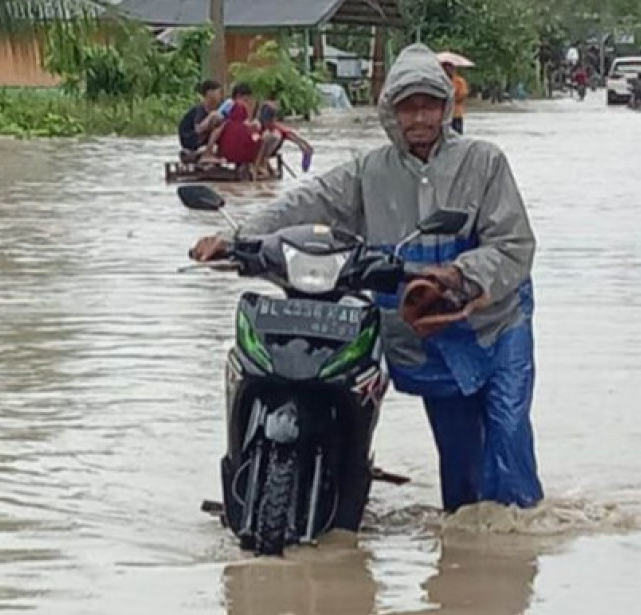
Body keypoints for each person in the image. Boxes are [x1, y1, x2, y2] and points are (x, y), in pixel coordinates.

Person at [190, 44, 543, 513]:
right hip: (426, 332)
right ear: (390, 112)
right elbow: (308, 201)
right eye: (408, 107)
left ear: (445, 106)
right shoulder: (369, 171)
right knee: (458, 461)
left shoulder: (484, 162)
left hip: (495, 322)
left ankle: (517, 545)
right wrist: (239, 236)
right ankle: (466, 546)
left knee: (507, 432)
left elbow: (515, 245)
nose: (419, 118)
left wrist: (461, 273)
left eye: (429, 105)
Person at [212, 83, 283, 179]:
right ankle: (257, 166)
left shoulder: (238, 111)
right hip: (235, 145)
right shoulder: (231, 106)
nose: (248, 102)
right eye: (246, 99)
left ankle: (259, 165)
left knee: (262, 139)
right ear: (238, 96)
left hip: (234, 144)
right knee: (262, 140)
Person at [177, 79, 224, 163]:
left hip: (200, 139)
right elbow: (198, 129)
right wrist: (211, 117)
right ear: (210, 94)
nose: (220, 96)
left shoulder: (217, 108)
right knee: (217, 125)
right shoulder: (200, 109)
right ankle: (207, 154)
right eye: (218, 93)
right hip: (191, 139)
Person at [442, 60, 469, 133]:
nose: (448, 70)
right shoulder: (440, 80)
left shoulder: (459, 81)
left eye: (450, 67)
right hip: (443, 115)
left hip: (456, 114)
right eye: (445, 67)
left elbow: (463, 94)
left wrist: (452, 96)